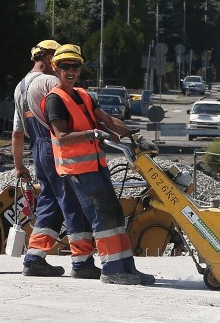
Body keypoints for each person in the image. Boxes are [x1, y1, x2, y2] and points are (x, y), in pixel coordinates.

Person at [43, 44, 154, 286]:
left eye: (75, 66)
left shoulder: (83, 95)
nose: (71, 71)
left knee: (115, 213)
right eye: (65, 67)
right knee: (102, 216)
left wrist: (133, 136)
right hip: (78, 170)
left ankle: (127, 267)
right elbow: (61, 135)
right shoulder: (54, 100)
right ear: (55, 69)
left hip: (96, 165)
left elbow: (108, 119)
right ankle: (112, 269)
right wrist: (92, 133)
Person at [12, 39, 99, 278]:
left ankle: (34, 258)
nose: (64, 66)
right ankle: (82, 261)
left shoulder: (20, 87)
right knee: (72, 200)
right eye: (58, 59)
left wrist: (19, 164)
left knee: (50, 202)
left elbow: (18, 131)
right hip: (56, 146)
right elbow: (74, 110)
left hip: (38, 149)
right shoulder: (50, 81)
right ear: (49, 58)